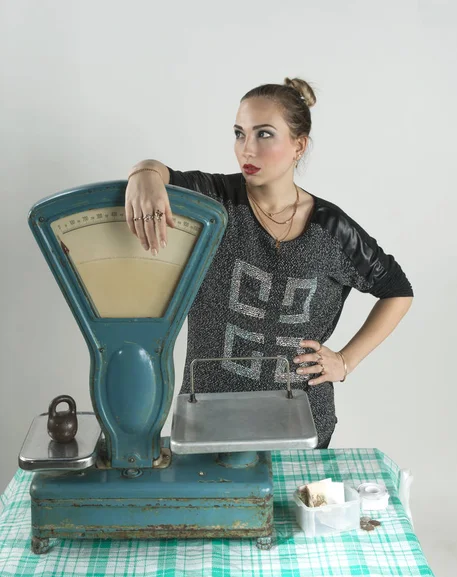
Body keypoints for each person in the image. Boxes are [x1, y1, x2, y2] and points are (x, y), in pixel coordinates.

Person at [124, 77, 414, 449]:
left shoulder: (332, 227)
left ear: (298, 145)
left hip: (301, 422)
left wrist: (345, 360)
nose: (247, 149)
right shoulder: (214, 203)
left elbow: (397, 290)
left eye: (264, 134)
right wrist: (145, 172)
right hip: (210, 418)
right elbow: (160, 174)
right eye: (239, 133)